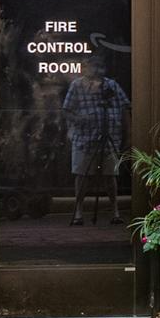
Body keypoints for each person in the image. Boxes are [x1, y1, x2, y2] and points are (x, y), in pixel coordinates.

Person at [61, 52, 130, 226]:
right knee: (82, 175)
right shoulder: (77, 86)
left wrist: (129, 134)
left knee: (110, 175)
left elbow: (124, 108)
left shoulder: (111, 85)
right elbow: (66, 110)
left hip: (109, 138)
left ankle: (115, 211)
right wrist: (80, 119)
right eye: (92, 67)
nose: (96, 71)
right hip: (84, 139)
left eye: (99, 67)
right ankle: (78, 212)